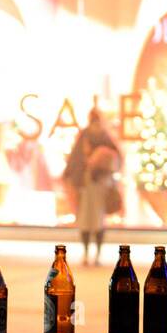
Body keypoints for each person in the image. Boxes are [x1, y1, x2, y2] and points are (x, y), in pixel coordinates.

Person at [64, 108, 121, 266]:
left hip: (93, 184)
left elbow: (75, 160)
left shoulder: (94, 136)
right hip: (93, 184)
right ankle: (93, 254)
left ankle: (91, 254)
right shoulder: (98, 135)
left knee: (91, 220)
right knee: (93, 220)